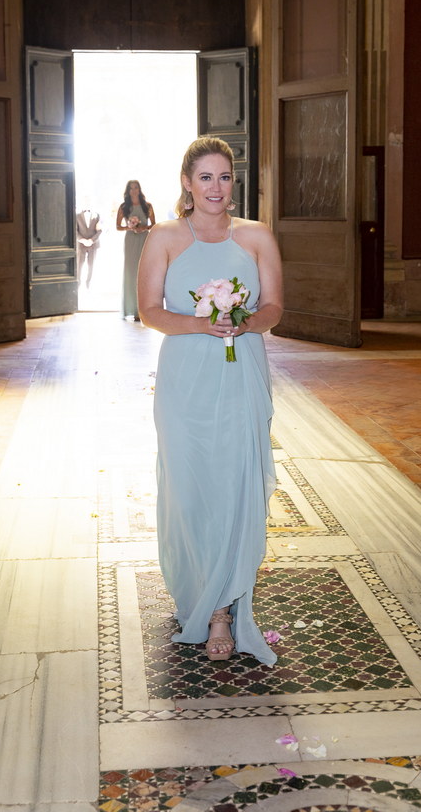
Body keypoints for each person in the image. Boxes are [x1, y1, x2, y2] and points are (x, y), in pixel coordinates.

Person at [137, 137, 283, 666]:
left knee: (232, 484)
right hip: (185, 379)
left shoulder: (258, 236)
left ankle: (223, 610)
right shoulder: (165, 237)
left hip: (241, 371)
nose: (216, 188)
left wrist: (242, 320)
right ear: (186, 182)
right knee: (191, 486)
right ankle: (196, 584)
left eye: (225, 178)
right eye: (206, 178)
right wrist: (203, 323)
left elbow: (273, 308)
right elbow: (150, 310)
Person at [116, 180, 156, 320]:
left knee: (144, 273)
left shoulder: (147, 206)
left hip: (144, 239)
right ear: (128, 191)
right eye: (131, 188)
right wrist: (130, 227)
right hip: (131, 240)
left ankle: (143, 311)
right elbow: (118, 226)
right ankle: (131, 309)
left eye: (136, 187)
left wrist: (143, 228)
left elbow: (153, 224)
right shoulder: (124, 207)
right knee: (131, 273)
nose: (134, 190)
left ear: (139, 189)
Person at [76, 204, 102, 288]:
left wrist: (91, 240)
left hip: (93, 244)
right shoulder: (77, 215)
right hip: (81, 244)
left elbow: (99, 230)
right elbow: (74, 230)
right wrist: (82, 240)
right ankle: (78, 282)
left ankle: (88, 283)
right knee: (79, 264)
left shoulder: (97, 215)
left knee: (91, 264)